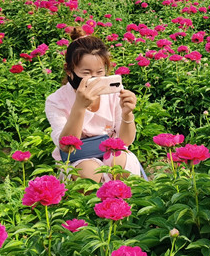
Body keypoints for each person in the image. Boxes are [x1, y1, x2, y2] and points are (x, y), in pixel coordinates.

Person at [45, 30, 144, 181]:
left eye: (100, 72)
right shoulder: (57, 101)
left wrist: (127, 114)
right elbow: (67, 147)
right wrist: (79, 106)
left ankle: (124, 203)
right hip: (76, 159)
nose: (95, 79)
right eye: (86, 73)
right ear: (69, 70)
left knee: (120, 162)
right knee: (88, 172)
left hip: (112, 153)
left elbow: (125, 141)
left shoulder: (113, 93)